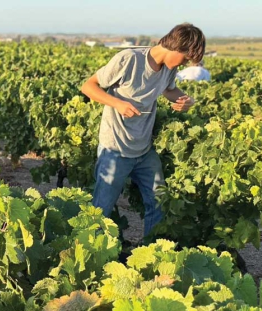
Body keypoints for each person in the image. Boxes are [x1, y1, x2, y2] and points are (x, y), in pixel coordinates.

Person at [80, 23, 205, 238]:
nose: (185, 64)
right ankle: (92, 256)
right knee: (101, 209)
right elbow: (88, 86)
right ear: (176, 47)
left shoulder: (169, 69)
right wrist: (117, 104)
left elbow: (169, 90)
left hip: (144, 151)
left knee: (159, 203)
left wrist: (185, 100)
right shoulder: (129, 59)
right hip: (115, 149)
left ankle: (151, 254)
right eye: (185, 58)